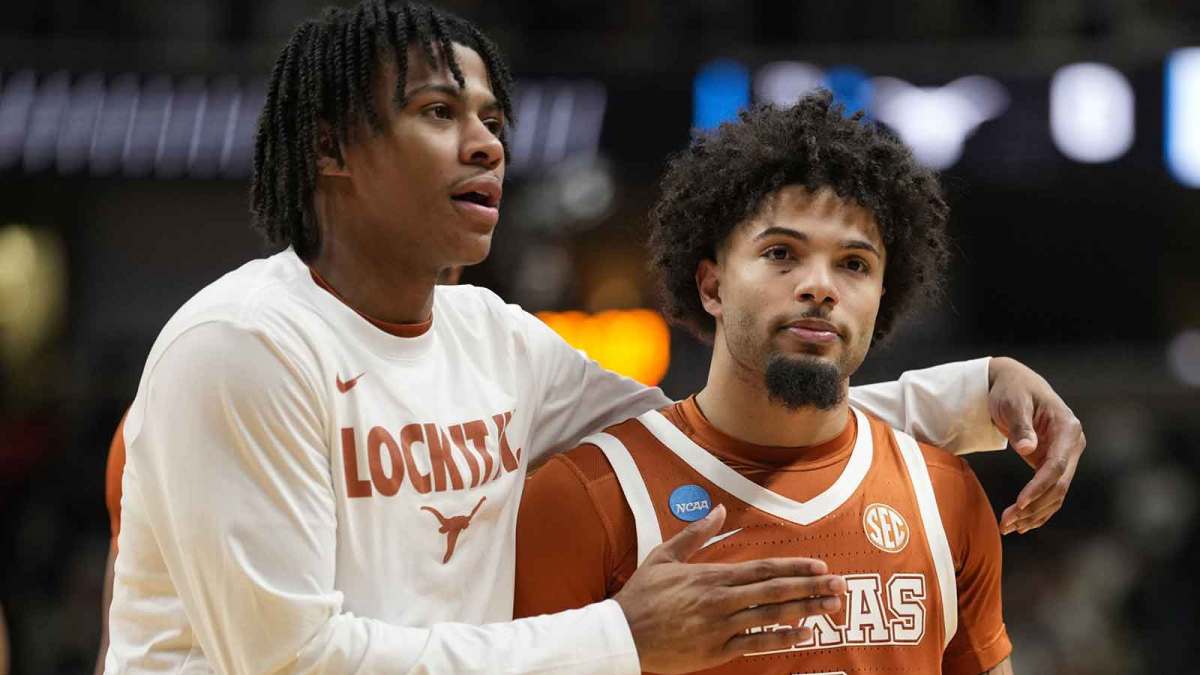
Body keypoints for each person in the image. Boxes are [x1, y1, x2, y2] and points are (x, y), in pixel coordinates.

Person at [104, 2, 1082, 673]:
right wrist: (617, 640)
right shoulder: (242, 345)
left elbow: (712, 427)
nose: (486, 143)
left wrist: (970, 395)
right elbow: (291, 665)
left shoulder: (492, 341)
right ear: (330, 150)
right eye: (438, 113)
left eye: (492, 117)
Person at [513, 93, 1019, 674]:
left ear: (884, 297)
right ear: (712, 287)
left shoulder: (946, 494)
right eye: (781, 253)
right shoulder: (580, 498)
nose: (819, 287)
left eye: (854, 264)